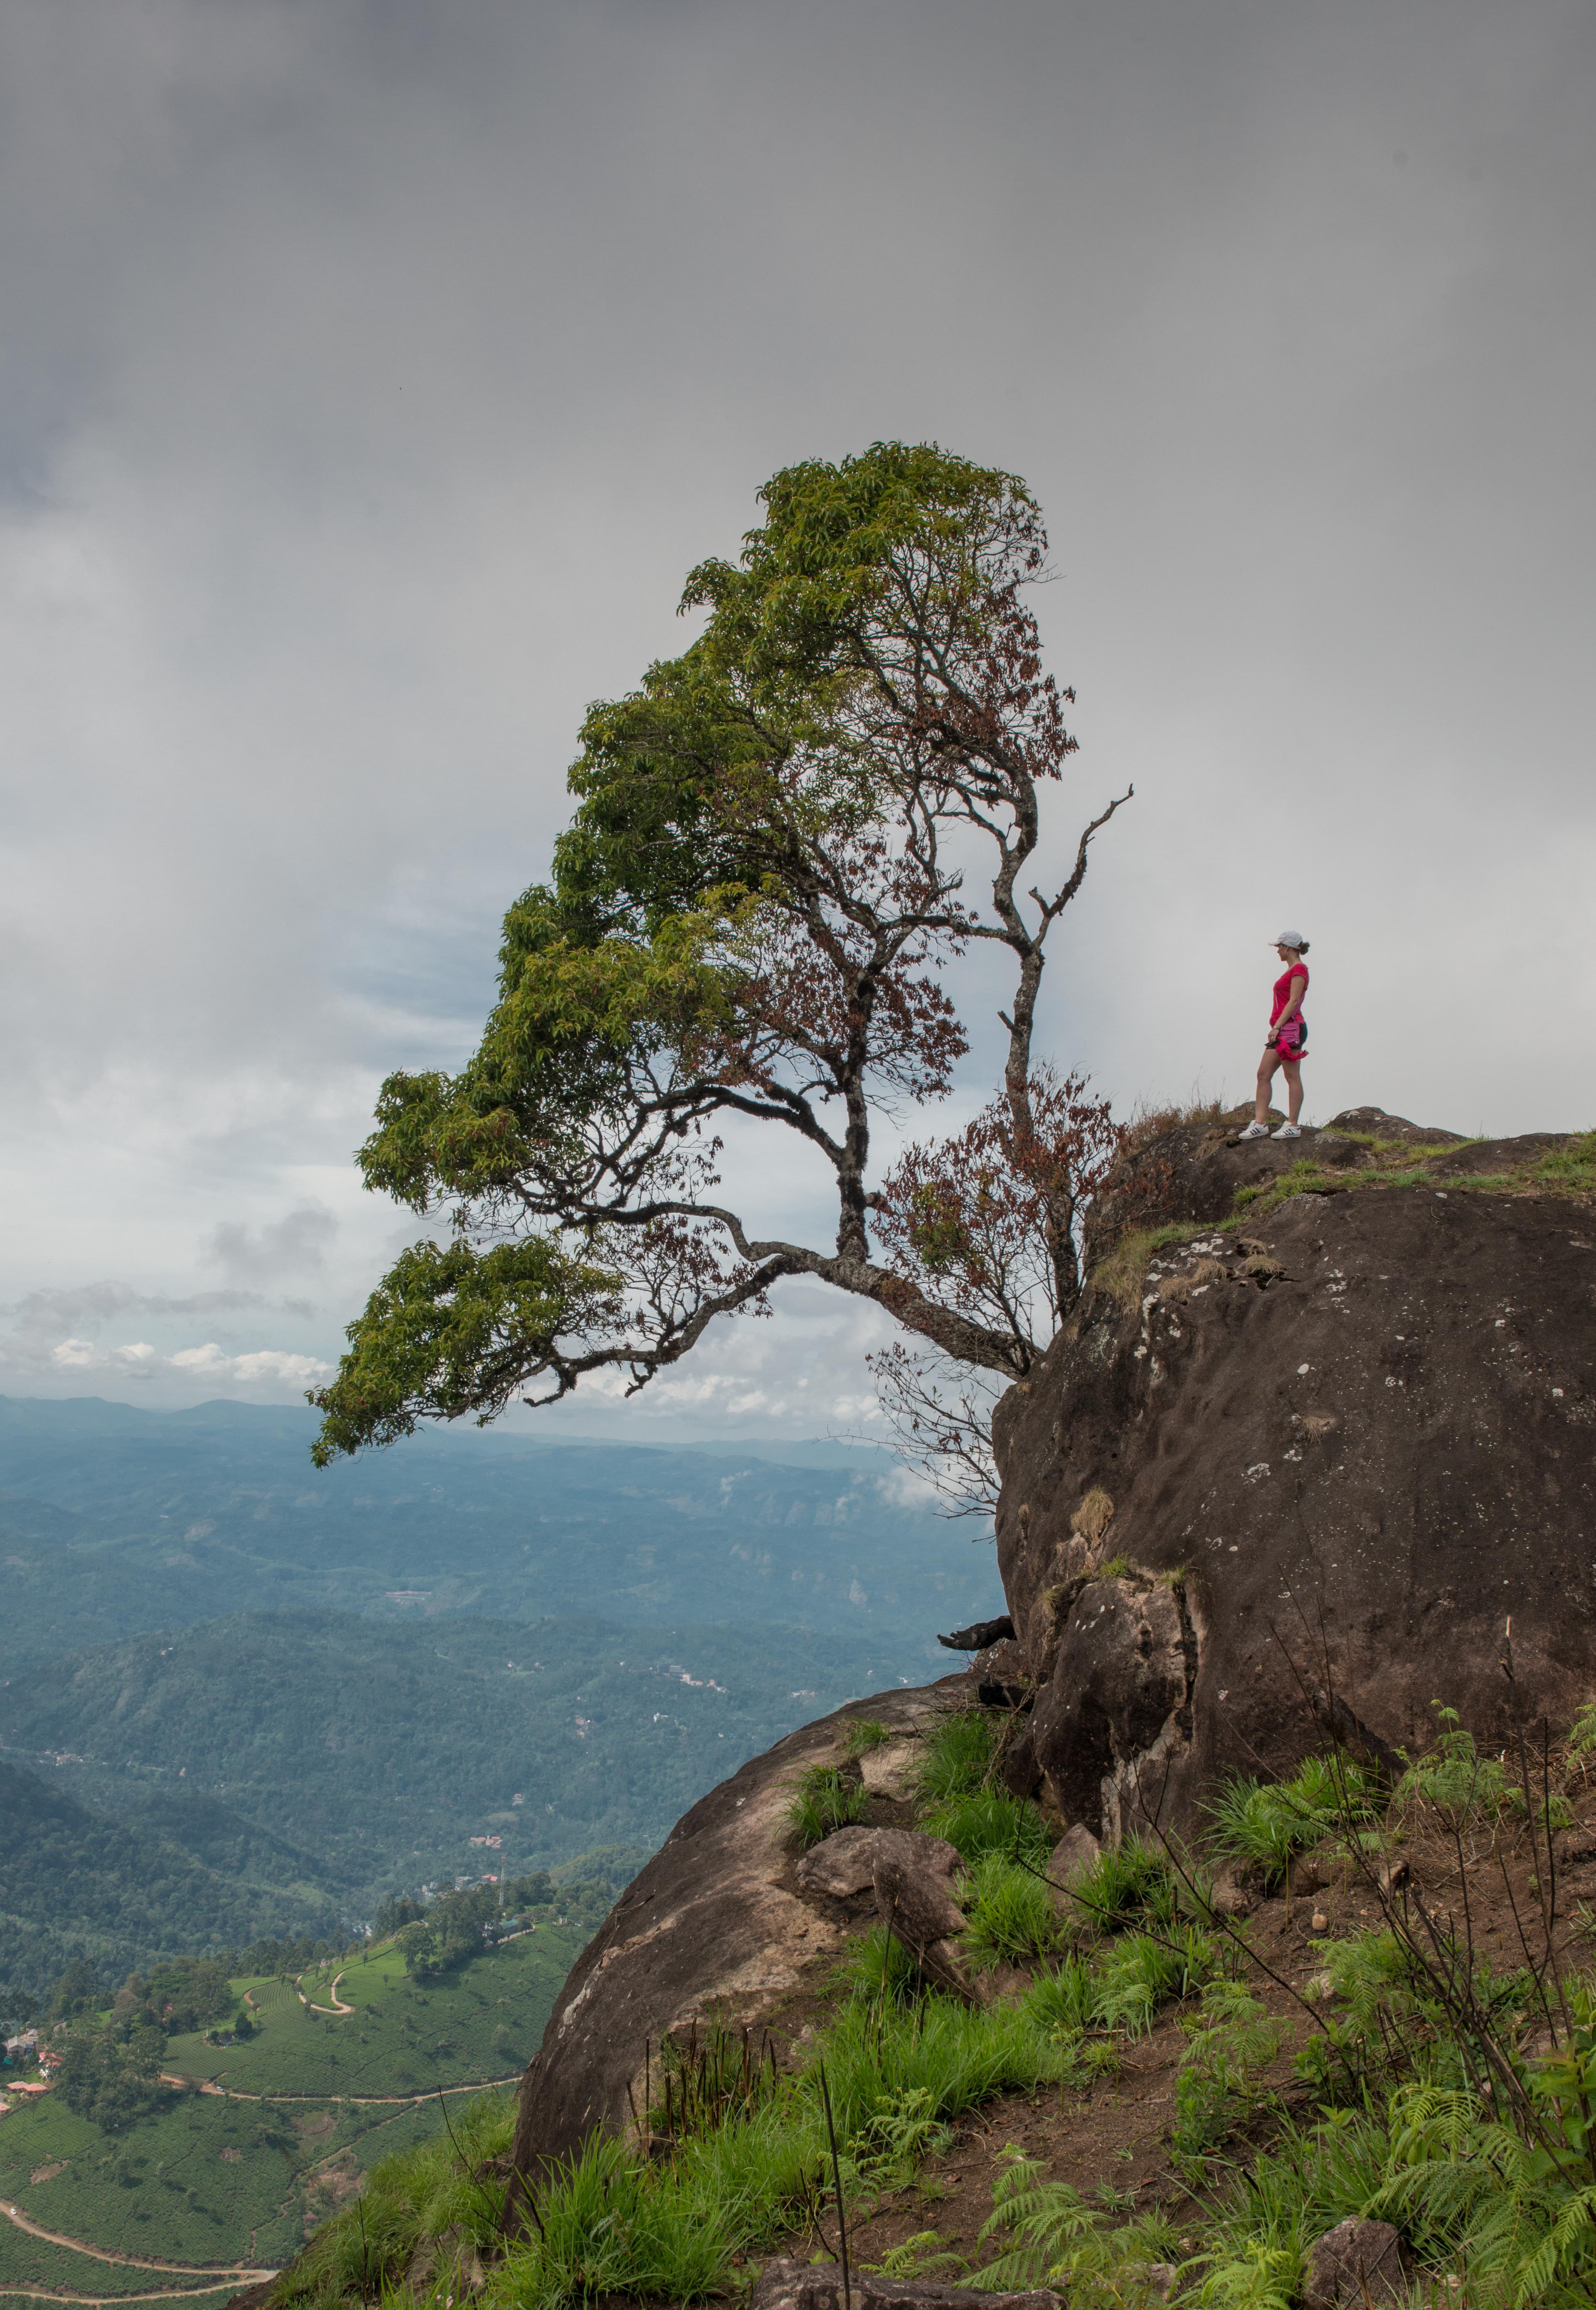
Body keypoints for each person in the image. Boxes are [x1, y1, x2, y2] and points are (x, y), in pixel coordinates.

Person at [1237, 934, 1310, 1140]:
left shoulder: (1299, 969)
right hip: (1282, 1029)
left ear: (1288, 948)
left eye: (1279, 947)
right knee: (1263, 1074)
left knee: (1291, 1076)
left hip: (1291, 1027)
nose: (1277, 951)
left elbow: (1294, 1001)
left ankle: (1293, 1125)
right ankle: (1260, 1123)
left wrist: (1277, 1026)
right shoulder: (1290, 971)